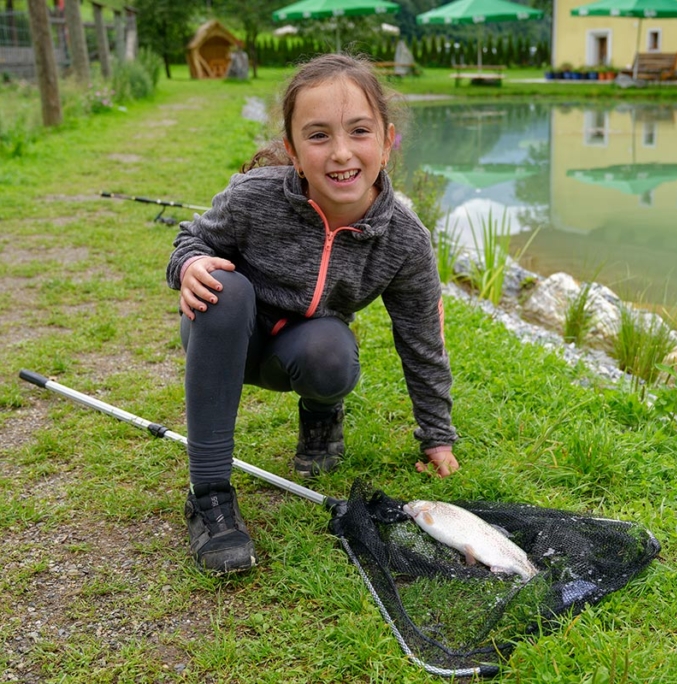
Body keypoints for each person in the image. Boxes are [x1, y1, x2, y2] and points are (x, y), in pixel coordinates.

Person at [165, 53, 460, 575]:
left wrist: (436, 434)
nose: (342, 152)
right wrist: (187, 265)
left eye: (359, 131)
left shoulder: (406, 240)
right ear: (294, 151)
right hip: (229, 335)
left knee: (331, 348)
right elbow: (192, 238)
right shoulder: (254, 197)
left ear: (388, 141)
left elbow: (421, 337)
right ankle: (209, 494)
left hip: (302, 351)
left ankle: (321, 417)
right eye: (318, 136)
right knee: (226, 289)